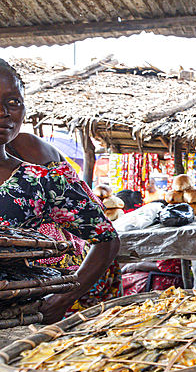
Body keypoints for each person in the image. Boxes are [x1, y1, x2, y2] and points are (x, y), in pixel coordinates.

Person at [0, 59, 120, 322]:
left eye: (13, 102)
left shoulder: (39, 180)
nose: (4, 112)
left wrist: (64, 297)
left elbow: (107, 239)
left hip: (19, 321)